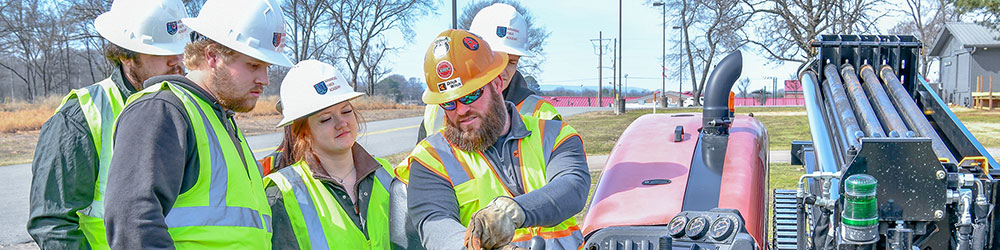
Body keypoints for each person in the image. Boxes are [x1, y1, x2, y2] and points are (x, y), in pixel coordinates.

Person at [101, 0, 293, 248]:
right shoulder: (162, 109)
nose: (265, 79)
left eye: (267, 67)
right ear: (212, 56)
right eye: (254, 65)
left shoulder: (219, 119)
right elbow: (132, 224)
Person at [400, 29, 590, 250]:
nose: (461, 110)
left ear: (497, 83)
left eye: (470, 95)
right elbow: (436, 226)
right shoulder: (431, 158)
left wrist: (513, 211)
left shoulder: (554, 135)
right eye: (449, 103)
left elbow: (572, 186)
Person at [27, 0, 189, 248]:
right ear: (125, 55)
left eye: (181, 49)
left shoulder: (191, 107)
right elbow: (53, 223)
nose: (177, 61)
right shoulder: (82, 116)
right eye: (160, 51)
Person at [263, 60, 396, 249]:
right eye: (325, 119)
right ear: (303, 132)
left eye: (346, 111)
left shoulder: (386, 173)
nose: (341, 123)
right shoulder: (282, 193)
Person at [416, 3, 559, 142]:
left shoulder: (542, 114)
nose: (501, 70)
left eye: (511, 62)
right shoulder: (438, 108)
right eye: (494, 59)